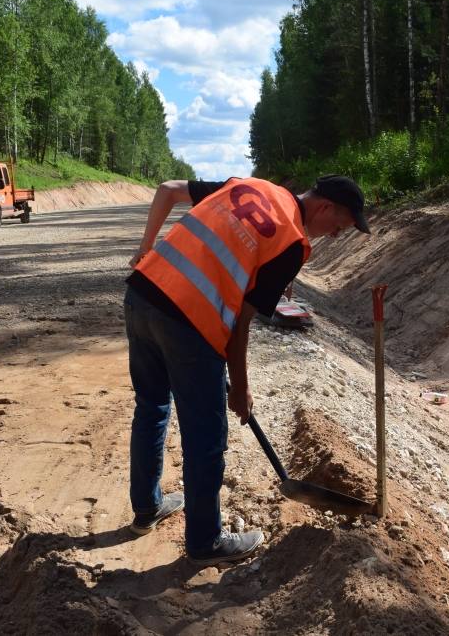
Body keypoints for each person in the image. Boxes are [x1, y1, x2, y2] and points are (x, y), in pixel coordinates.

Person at [123, 174, 369, 565]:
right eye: (338, 227)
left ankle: (147, 506)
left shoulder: (247, 184)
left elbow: (168, 190)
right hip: (188, 322)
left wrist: (146, 248)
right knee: (206, 436)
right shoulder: (293, 242)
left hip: (141, 292)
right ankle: (205, 542)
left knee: (151, 406)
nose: (335, 236)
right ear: (325, 207)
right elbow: (241, 324)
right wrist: (240, 387)